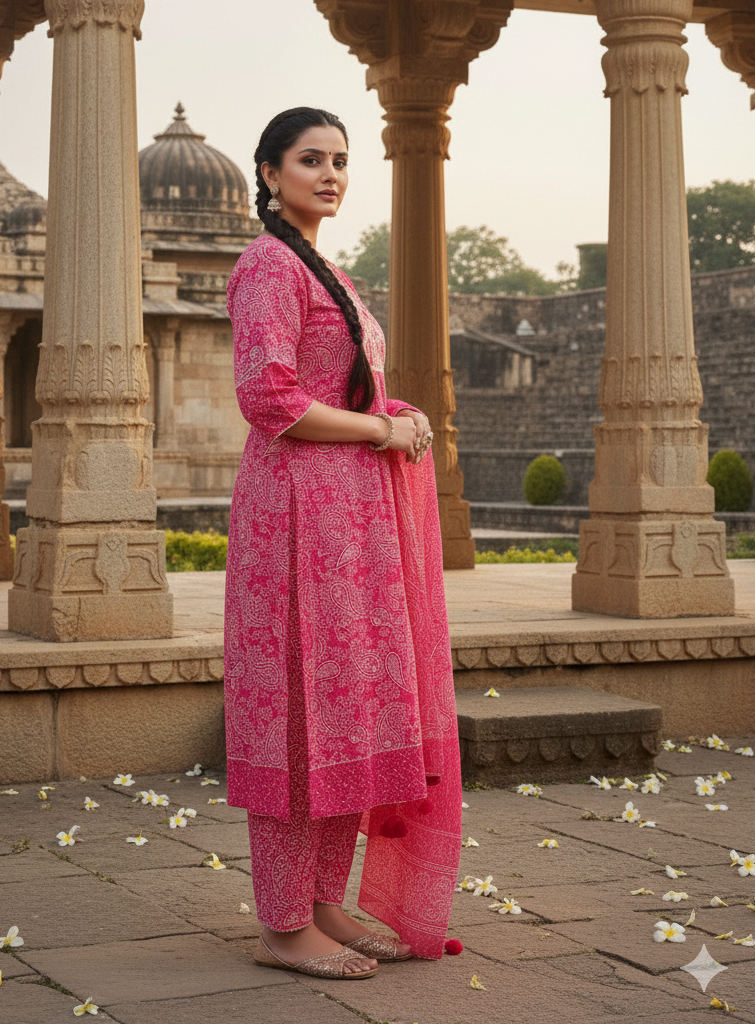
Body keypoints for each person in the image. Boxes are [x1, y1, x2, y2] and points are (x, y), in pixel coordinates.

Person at [224, 106, 462, 981]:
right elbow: (270, 399)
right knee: (295, 714)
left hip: (349, 524)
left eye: (340, 161)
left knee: (344, 709)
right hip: (294, 518)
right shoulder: (266, 262)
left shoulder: (331, 270)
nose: (329, 174)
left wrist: (394, 416)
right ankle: (282, 925)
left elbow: (347, 388)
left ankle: (323, 904)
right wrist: (376, 432)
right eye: (309, 159)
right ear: (270, 171)